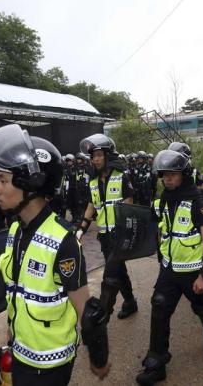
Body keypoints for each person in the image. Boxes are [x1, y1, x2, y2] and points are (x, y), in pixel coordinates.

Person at [0, 124, 110, 385]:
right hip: (20, 350)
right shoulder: (16, 229)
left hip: (50, 363)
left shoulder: (63, 241)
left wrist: (99, 357)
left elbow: (88, 311)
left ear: (32, 183)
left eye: (3, 181)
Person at [135, 149, 203, 386]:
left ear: (184, 174)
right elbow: (151, 228)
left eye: (172, 174)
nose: (167, 179)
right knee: (159, 309)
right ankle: (157, 363)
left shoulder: (197, 202)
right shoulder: (162, 201)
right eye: (164, 175)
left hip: (193, 271)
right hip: (169, 270)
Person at [77, 133, 139, 320]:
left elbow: (129, 206)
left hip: (119, 236)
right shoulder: (93, 182)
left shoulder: (121, 177)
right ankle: (130, 302)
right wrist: (80, 230)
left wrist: (127, 235)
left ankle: (101, 316)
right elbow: (90, 207)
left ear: (107, 156)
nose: (95, 160)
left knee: (110, 275)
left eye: (99, 155)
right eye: (93, 156)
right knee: (119, 271)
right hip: (104, 237)